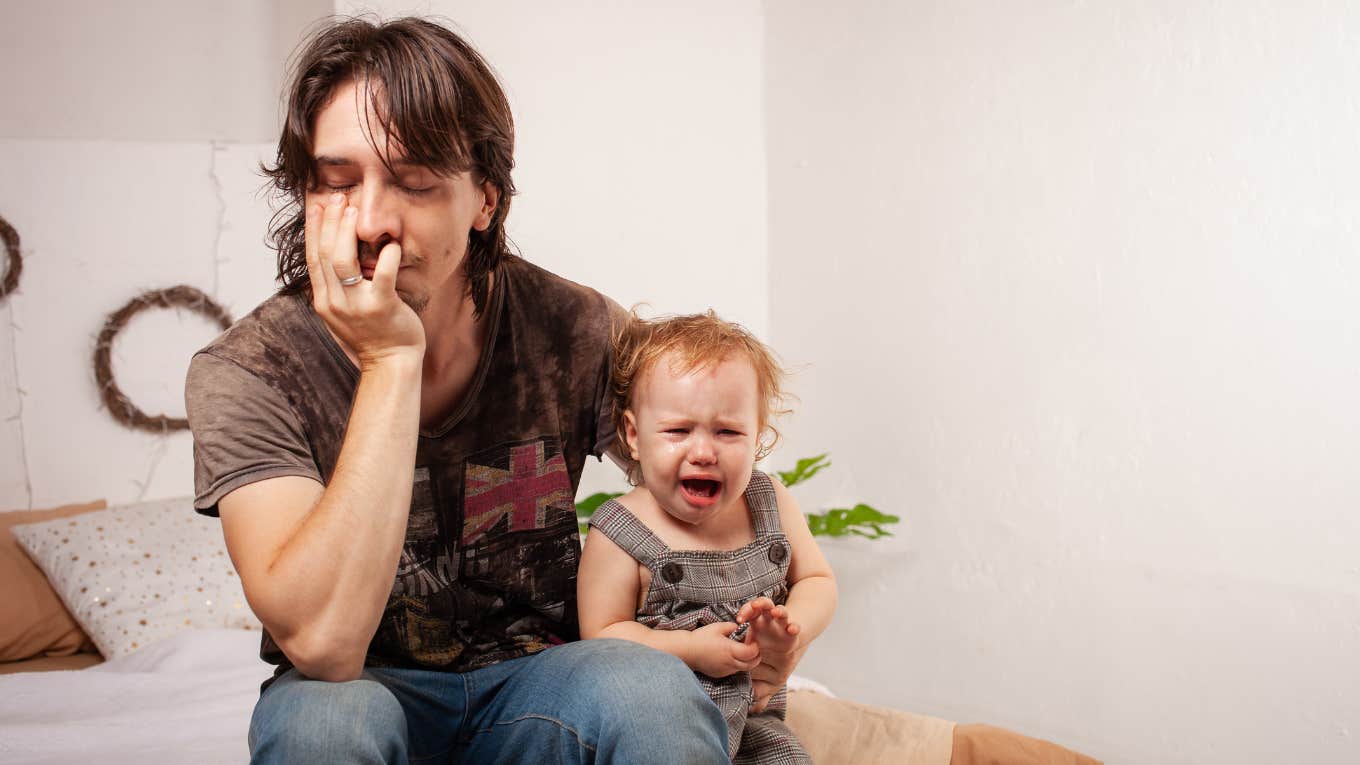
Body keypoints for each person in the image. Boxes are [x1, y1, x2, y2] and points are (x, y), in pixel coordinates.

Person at [184, 16, 729, 765]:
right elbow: (323, 643)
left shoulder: (576, 328)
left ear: (484, 201)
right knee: (319, 724)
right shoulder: (249, 371)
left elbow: (718, 478)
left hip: (542, 682)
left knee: (651, 689)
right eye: (337, 180)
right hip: (362, 686)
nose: (372, 220)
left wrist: (766, 620)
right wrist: (390, 363)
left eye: (413, 182)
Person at [577, 311, 838, 764]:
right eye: (678, 431)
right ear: (634, 436)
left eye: (728, 432)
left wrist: (790, 630)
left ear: (759, 437)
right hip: (657, 729)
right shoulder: (620, 529)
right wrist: (689, 650)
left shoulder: (767, 501)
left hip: (758, 722)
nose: (702, 452)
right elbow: (601, 638)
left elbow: (818, 580)